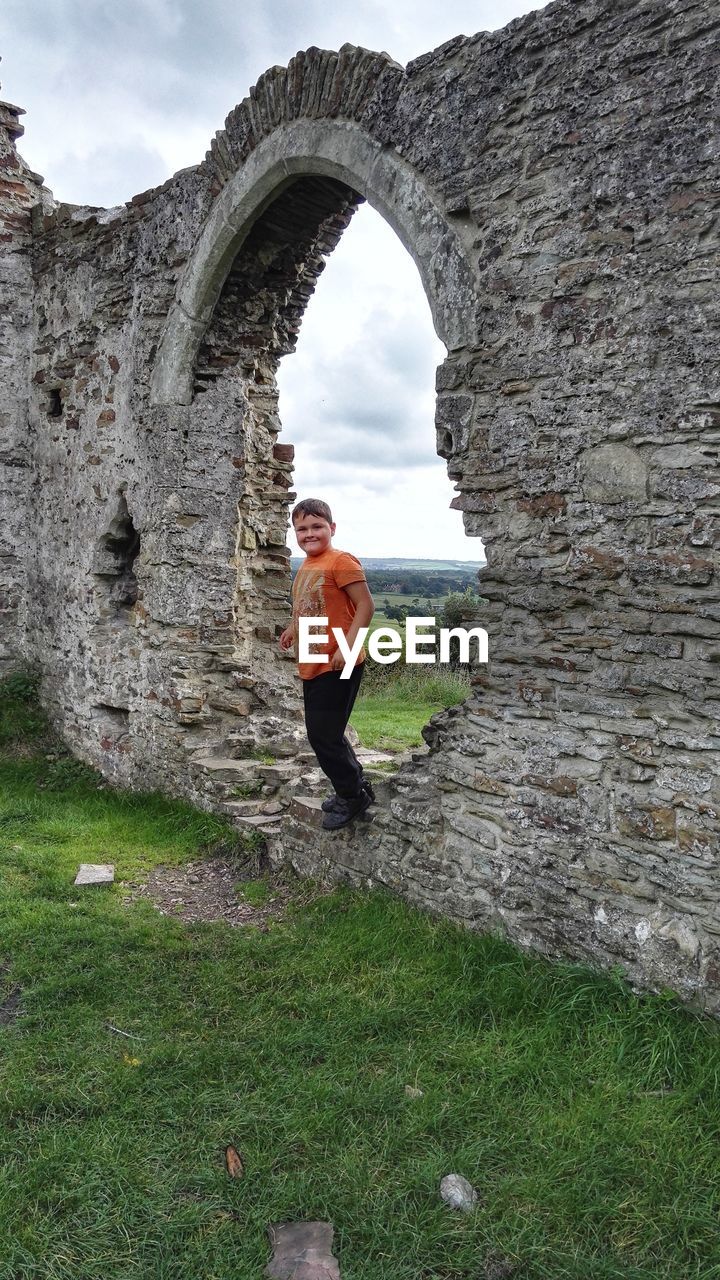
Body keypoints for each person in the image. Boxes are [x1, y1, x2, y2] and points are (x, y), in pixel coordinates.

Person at [279, 498, 376, 830]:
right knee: (327, 733)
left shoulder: (341, 562)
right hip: (315, 661)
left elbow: (366, 606)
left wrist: (347, 648)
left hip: (339, 663)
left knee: (323, 736)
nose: (310, 533)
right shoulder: (308, 565)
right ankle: (356, 784)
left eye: (317, 526)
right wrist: (293, 628)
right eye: (302, 528)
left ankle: (352, 796)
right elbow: (312, 605)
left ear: (331, 528)